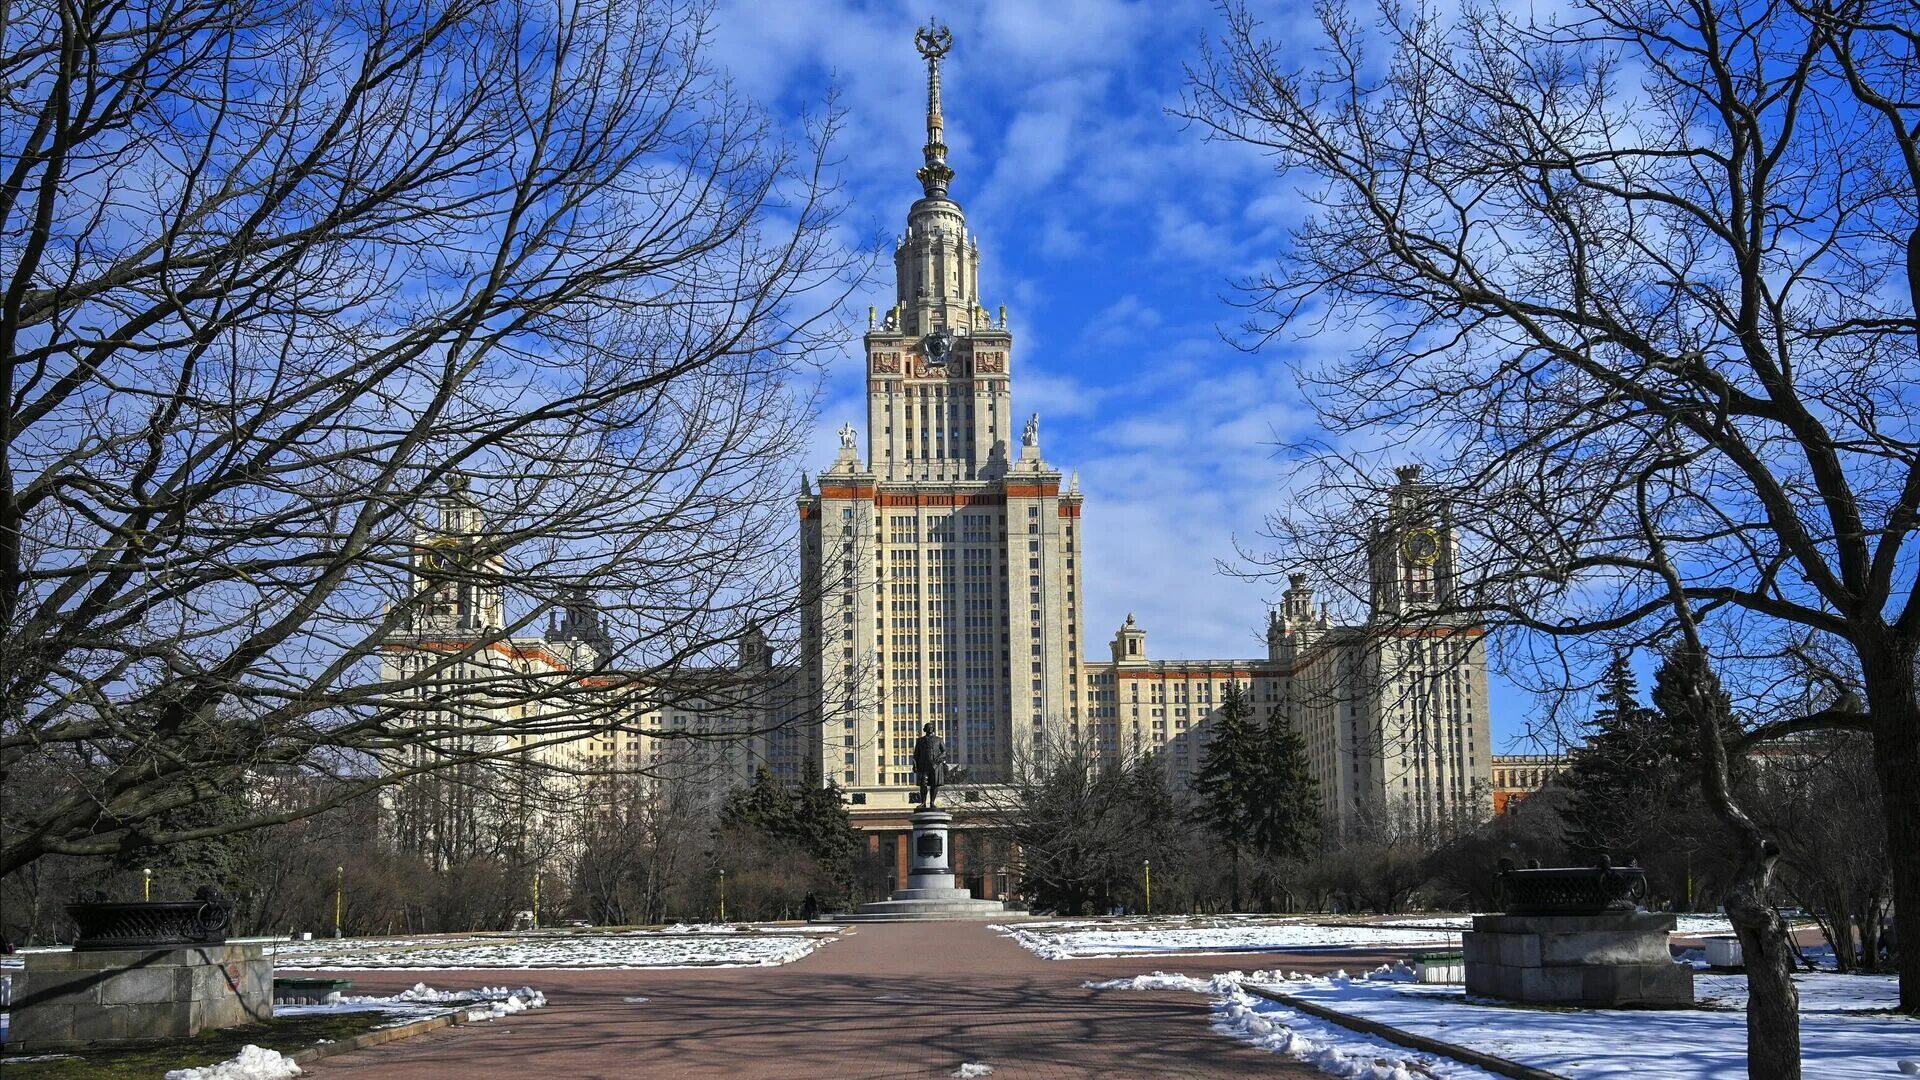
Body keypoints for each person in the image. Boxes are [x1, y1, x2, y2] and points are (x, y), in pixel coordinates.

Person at [911, 722, 947, 807]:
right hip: (923, 766)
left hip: (935, 766)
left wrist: (938, 758)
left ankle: (932, 802)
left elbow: (944, 751)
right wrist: (915, 765)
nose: (929, 728)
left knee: (934, 784)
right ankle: (923, 803)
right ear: (924, 729)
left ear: (933, 729)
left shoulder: (939, 739)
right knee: (923, 784)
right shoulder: (920, 740)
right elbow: (916, 754)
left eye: (931, 727)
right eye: (927, 727)